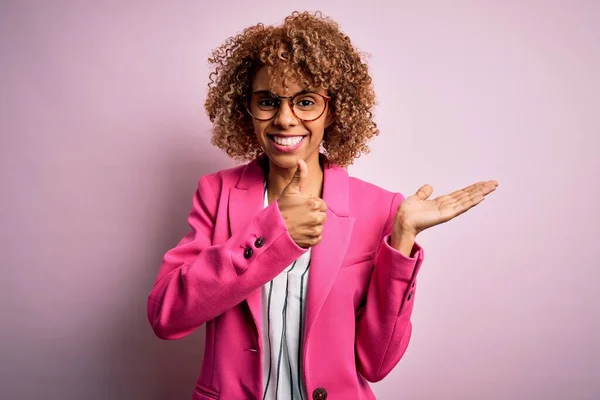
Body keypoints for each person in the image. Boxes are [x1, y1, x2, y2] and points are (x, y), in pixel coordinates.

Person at [147, 11, 498, 400]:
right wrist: (272, 232)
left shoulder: (381, 208)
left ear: (333, 110)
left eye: (306, 101)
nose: (284, 119)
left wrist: (402, 240)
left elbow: (376, 364)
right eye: (267, 101)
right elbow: (167, 316)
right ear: (246, 108)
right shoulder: (216, 193)